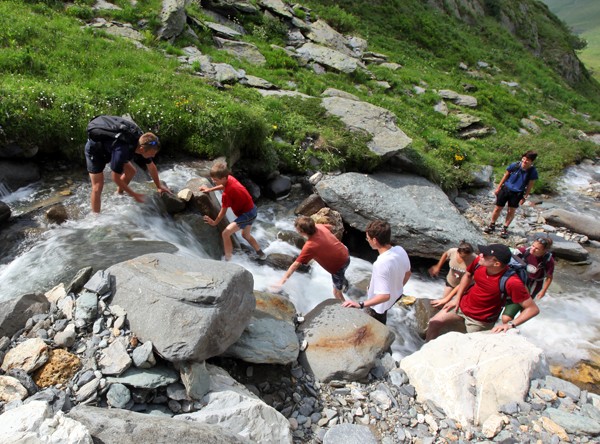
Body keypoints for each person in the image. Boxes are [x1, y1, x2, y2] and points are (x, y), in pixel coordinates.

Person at [426, 243, 539, 341]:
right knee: (434, 322)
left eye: (485, 255)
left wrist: (510, 324)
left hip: (480, 320)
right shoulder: (479, 262)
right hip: (461, 306)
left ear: (496, 264)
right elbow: (468, 275)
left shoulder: (512, 282)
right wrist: (457, 298)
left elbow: (532, 309)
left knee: (470, 348)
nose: (480, 255)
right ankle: (425, 353)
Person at [85, 116, 171, 213]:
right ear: (142, 149)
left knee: (131, 171)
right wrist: (134, 195)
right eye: (152, 153)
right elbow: (115, 177)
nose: (154, 155)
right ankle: (95, 218)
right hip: (96, 151)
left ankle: (118, 194)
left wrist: (159, 186)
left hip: (112, 148)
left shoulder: (143, 141)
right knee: (97, 186)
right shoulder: (122, 150)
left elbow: (151, 166)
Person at [342, 220, 411, 325]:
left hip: (378, 307)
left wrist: (360, 304)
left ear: (374, 240)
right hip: (396, 296)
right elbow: (408, 273)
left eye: (368, 238)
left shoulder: (380, 264)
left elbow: (384, 296)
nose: (367, 241)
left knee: (371, 327)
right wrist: (396, 288)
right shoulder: (400, 250)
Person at [199, 162, 266, 261]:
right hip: (252, 209)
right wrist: (210, 190)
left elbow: (223, 211)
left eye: (215, 180)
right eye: (212, 179)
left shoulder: (227, 194)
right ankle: (261, 253)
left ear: (223, 178)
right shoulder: (230, 179)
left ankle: (228, 259)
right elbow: (223, 186)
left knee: (225, 233)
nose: (213, 181)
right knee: (245, 235)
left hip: (247, 214)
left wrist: (214, 222)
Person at [272, 216, 350, 301]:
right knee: (341, 273)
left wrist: (281, 282)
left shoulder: (310, 246)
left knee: (336, 293)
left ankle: (346, 307)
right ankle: (343, 280)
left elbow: (295, 265)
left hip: (339, 266)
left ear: (301, 232)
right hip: (345, 252)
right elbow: (330, 227)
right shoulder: (319, 226)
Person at [484, 150, 538, 238]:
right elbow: (506, 175)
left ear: (531, 161)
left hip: (517, 193)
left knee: (511, 211)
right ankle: (492, 225)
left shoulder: (532, 171)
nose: (524, 161)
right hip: (506, 189)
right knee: (498, 208)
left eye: (527, 160)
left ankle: (505, 228)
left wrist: (525, 197)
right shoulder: (515, 165)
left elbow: (530, 185)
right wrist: (498, 187)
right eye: (524, 158)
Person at [501, 236, 554, 323]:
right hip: (520, 279)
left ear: (544, 251)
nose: (532, 249)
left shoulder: (548, 260)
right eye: (533, 246)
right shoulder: (525, 251)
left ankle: (517, 323)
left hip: (533, 284)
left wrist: (543, 290)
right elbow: (509, 254)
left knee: (525, 307)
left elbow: (549, 277)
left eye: (537, 249)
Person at [428, 241, 477, 308]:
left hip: (465, 286)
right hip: (451, 281)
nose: (464, 258)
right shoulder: (453, 251)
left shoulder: (475, 259)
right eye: (462, 256)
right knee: (443, 303)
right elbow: (445, 254)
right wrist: (438, 266)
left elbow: (470, 279)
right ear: (458, 252)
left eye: (467, 257)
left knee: (458, 305)